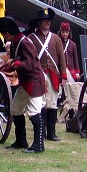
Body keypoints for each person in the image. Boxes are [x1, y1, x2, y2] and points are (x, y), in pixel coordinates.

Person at [0, 16, 46, 153]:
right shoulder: (17, 43)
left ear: (8, 33)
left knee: (34, 112)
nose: (4, 37)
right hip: (25, 81)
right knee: (15, 109)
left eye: (4, 34)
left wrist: (15, 64)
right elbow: (17, 61)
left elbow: (30, 64)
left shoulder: (25, 42)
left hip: (34, 81)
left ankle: (38, 145)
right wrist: (7, 66)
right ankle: (21, 141)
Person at [28, 8, 67, 141]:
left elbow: (62, 58)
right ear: (39, 22)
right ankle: (41, 133)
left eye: (49, 21)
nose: (47, 23)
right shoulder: (31, 38)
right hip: (38, 74)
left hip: (53, 75)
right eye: (45, 21)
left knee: (52, 104)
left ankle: (51, 132)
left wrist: (63, 76)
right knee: (40, 104)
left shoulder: (56, 38)